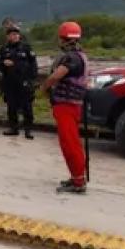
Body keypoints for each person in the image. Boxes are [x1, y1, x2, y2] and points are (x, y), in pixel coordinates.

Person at [38, 21, 89, 194]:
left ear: (63, 39)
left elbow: (56, 76)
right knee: (71, 142)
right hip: (71, 104)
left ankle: (78, 181)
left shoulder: (71, 58)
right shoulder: (80, 55)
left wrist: (44, 87)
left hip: (67, 105)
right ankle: (76, 177)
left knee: (69, 143)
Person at [0, 26, 38, 139]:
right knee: (11, 106)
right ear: (7, 36)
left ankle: (28, 130)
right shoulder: (4, 49)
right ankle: (13, 128)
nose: (14, 36)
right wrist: (3, 62)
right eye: (12, 34)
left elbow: (33, 65)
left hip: (24, 82)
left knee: (27, 107)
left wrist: (32, 80)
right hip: (10, 82)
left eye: (16, 34)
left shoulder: (26, 48)